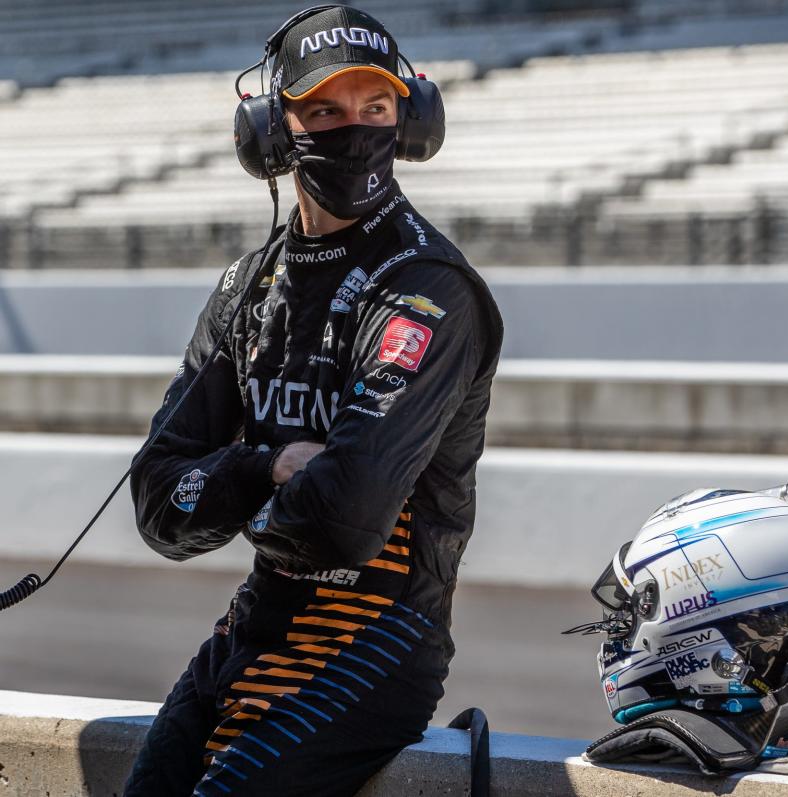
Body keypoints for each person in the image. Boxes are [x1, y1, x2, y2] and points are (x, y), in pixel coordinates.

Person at [123, 6, 503, 795]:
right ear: (272, 130)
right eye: (325, 109)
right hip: (256, 622)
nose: (354, 128)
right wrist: (269, 469)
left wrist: (232, 489)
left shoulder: (426, 286)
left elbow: (345, 519)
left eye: (376, 107)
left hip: (378, 635)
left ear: (410, 119)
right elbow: (159, 496)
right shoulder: (247, 288)